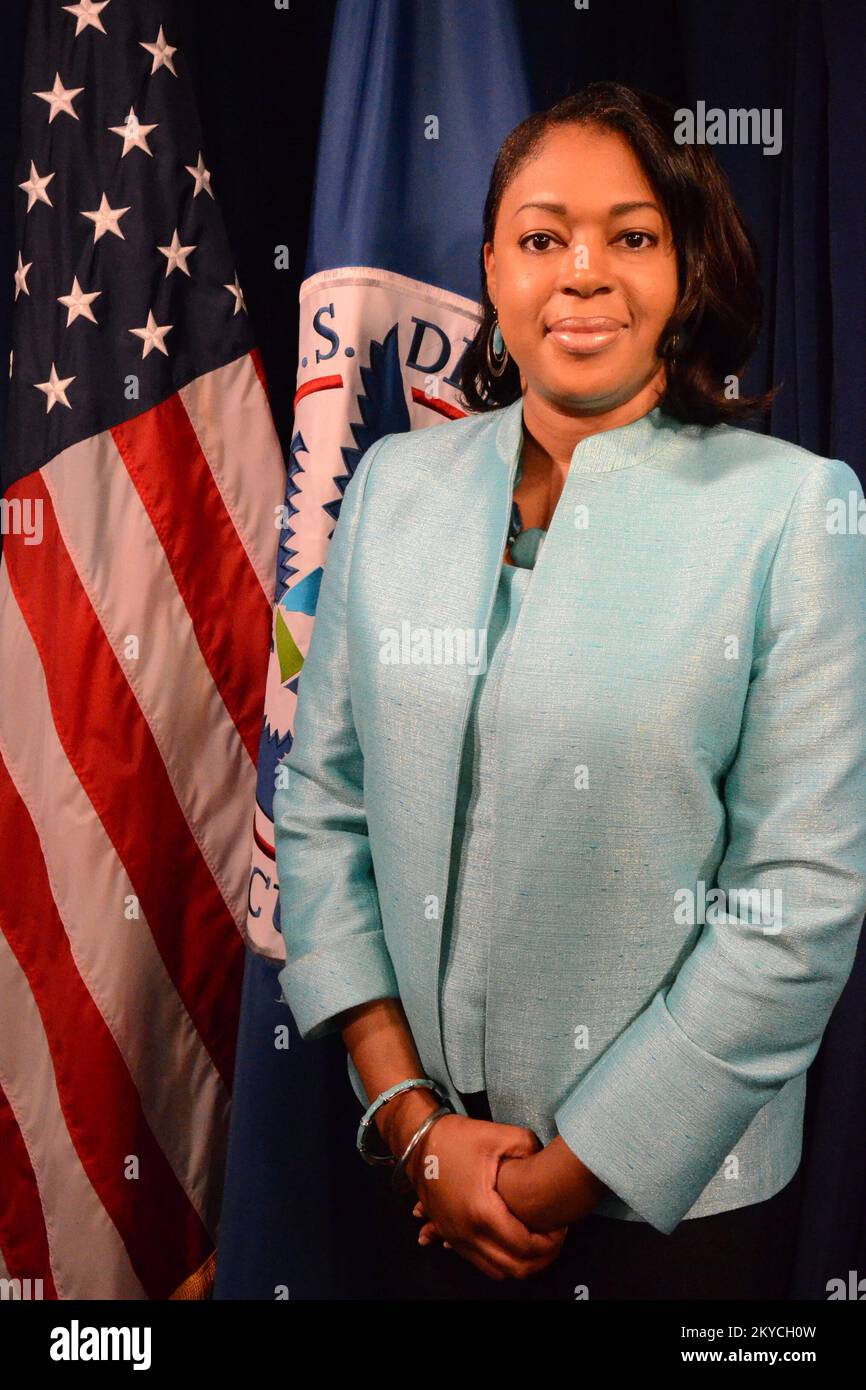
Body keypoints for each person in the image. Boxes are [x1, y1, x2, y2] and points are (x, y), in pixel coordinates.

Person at [273, 81, 866, 1299]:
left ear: (684, 264)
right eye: (543, 237)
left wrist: (568, 1173)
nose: (583, 272)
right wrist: (411, 1124)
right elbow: (323, 810)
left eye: (631, 234)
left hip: (676, 1215)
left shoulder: (792, 510)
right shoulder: (393, 486)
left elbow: (796, 899)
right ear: (492, 269)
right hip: (422, 1181)